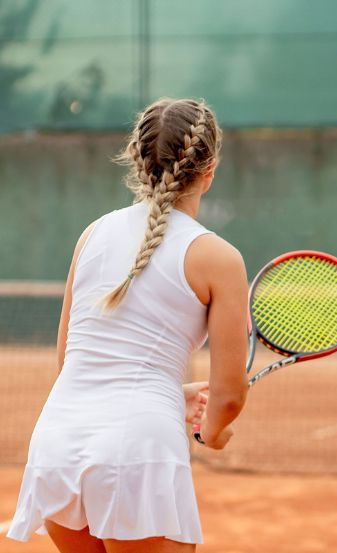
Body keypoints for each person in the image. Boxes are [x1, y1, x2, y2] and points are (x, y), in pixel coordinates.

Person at [7, 98, 249, 552]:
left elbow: (73, 363)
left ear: (137, 162)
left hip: (57, 445)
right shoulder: (219, 258)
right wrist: (214, 433)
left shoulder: (92, 234)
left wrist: (167, 394)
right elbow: (229, 396)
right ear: (210, 168)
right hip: (137, 451)